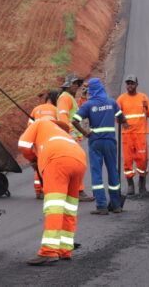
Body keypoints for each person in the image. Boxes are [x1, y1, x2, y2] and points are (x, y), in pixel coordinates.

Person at [18, 117, 87, 265]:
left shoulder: (40, 123)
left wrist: (33, 160)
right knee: (69, 207)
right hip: (79, 158)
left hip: (57, 159)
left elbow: (23, 144)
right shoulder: (62, 135)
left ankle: (49, 251)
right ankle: (65, 249)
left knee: (54, 206)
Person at [71, 78, 127, 214]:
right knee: (113, 171)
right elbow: (122, 119)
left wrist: (85, 133)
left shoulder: (88, 105)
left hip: (95, 141)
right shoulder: (111, 102)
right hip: (110, 141)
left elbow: (74, 120)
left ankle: (101, 206)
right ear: (101, 88)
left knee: (97, 174)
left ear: (91, 90)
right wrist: (124, 123)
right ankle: (116, 205)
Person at [116, 75, 149, 197]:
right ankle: (130, 185)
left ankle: (142, 186)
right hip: (127, 135)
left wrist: (146, 107)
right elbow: (116, 116)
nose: (130, 86)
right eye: (128, 83)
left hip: (140, 133)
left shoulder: (143, 97)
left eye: (132, 83)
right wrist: (123, 122)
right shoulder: (121, 99)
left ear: (137, 84)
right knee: (127, 160)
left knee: (142, 159)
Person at [58, 74, 94, 202]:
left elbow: (78, 111)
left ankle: (73, 190)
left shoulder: (69, 98)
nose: (77, 86)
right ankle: (78, 191)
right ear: (68, 85)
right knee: (78, 165)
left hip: (72, 137)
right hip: (70, 137)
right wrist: (71, 134)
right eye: (74, 84)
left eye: (78, 84)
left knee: (75, 165)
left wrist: (83, 98)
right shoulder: (65, 98)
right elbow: (63, 117)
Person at [28, 90, 60, 199]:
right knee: (50, 165)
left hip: (37, 141)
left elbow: (30, 127)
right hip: (51, 141)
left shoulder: (36, 109)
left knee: (39, 164)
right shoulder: (57, 110)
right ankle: (50, 189)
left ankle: (38, 190)